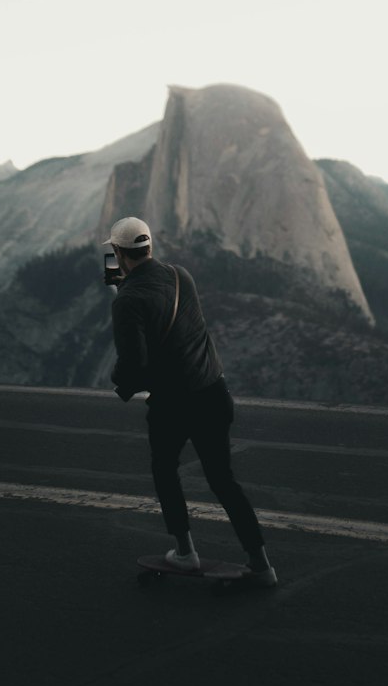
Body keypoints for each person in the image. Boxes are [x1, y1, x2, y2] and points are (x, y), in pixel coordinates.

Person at [106, 215, 276, 586]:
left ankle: (185, 553)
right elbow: (160, 307)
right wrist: (127, 278)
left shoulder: (128, 301)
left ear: (117, 253)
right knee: (223, 480)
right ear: (150, 246)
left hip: (174, 404)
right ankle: (261, 565)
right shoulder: (182, 276)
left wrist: (117, 381)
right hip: (214, 393)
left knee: (165, 470)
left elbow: (134, 362)